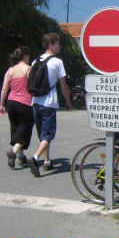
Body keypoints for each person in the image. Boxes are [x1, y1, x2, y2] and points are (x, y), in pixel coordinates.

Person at [27, 33, 72, 177]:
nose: (60, 46)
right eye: (58, 43)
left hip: (35, 101)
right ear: (51, 45)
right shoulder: (57, 62)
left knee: (42, 134)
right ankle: (35, 158)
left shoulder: (35, 61)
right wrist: (68, 101)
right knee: (49, 134)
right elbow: (63, 85)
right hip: (49, 102)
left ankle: (47, 161)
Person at [0, 46, 34, 169]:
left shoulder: (10, 71)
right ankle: (13, 152)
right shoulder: (28, 69)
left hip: (11, 102)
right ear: (25, 56)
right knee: (25, 128)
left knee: (15, 127)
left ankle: (21, 157)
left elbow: (4, 89)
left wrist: (2, 104)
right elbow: (33, 86)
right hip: (25, 102)